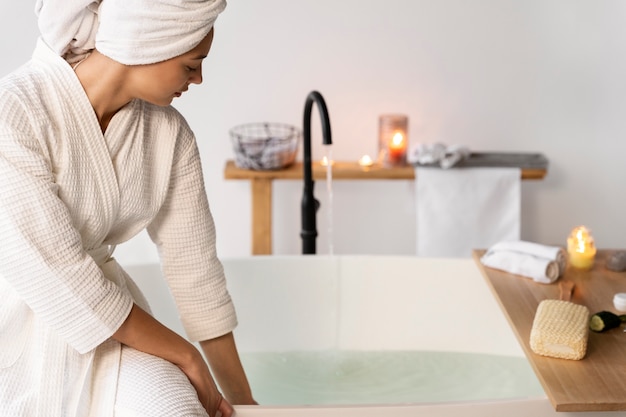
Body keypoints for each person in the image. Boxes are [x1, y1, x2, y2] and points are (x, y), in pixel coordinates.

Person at [0, 0, 256, 416]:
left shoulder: (169, 134)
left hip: (117, 334)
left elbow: (197, 275)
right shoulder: (14, 112)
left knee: (175, 407)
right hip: (18, 327)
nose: (200, 78)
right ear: (150, 44)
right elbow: (60, 274)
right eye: (192, 64)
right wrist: (185, 355)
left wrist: (245, 404)